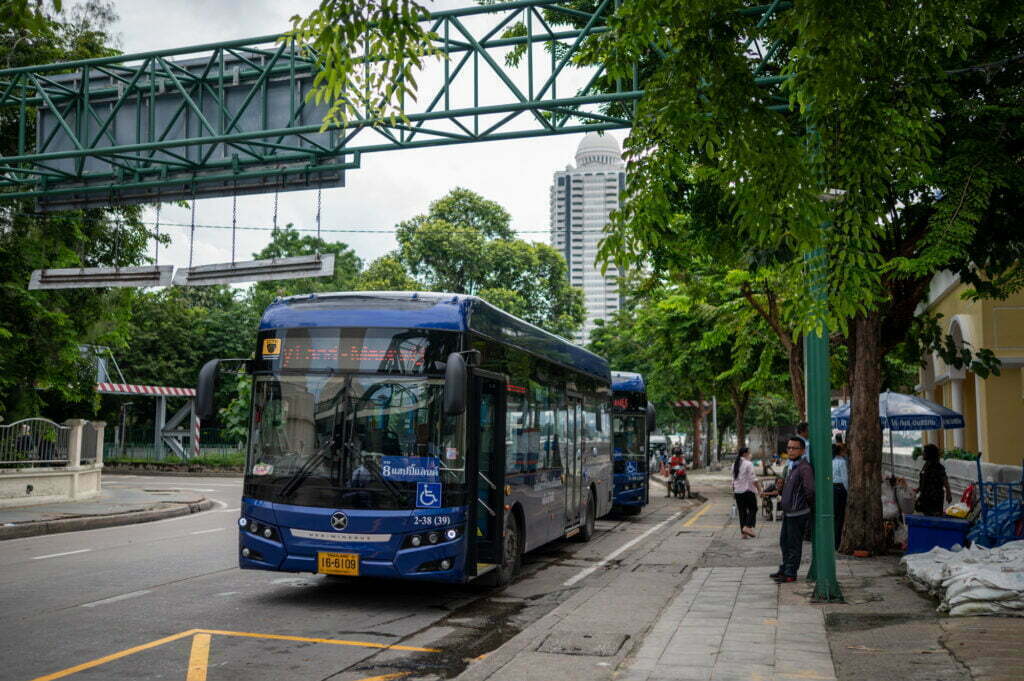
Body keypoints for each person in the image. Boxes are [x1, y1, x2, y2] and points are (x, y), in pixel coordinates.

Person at [771, 437, 815, 583]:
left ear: (802, 450)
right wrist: (780, 487)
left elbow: (809, 490)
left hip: (798, 513)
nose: (790, 450)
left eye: (794, 448)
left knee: (794, 544)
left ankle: (790, 573)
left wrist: (803, 505)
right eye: (789, 448)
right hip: (788, 512)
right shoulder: (792, 466)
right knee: (784, 542)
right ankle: (784, 568)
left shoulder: (804, 467)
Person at [732, 447, 762, 538]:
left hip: (738, 491)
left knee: (742, 511)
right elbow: (754, 479)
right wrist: (760, 490)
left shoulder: (734, 464)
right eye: (749, 453)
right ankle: (747, 527)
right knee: (753, 508)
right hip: (747, 490)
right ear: (745, 454)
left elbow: (733, 479)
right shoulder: (748, 464)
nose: (750, 455)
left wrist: (733, 491)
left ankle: (743, 533)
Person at [915, 444, 951, 516]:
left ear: (929, 454)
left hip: (935, 499)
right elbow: (924, 480)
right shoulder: (926, 465)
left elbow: (945, 481)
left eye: (924, 452)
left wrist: (948, 493)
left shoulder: (938, 467)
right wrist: (917, 490)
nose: (923, 453)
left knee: (934, 518)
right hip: (925, 498)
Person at [832, 441, 849, 549]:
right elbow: (845, 479)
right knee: (839, 517)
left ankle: (833, 540)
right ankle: (837, 542)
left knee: (834, 516)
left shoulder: (831, 461)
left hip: (832, 488)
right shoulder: (842, 462)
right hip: (840, 489)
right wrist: (848, 492)